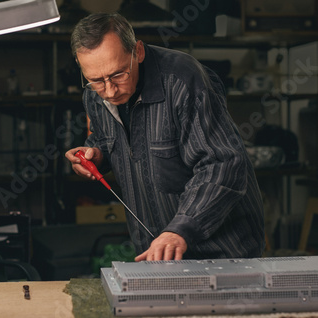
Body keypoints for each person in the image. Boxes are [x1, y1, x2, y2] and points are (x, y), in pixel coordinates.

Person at [65, 13, 265, 261]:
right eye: (96, 80)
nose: (108, 90)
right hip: (157, 253)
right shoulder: (94, 95)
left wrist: (180, 229)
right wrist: (95, 156)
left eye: (118, 75)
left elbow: (222, 163)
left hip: (223, 252)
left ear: (138, 51)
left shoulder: (182, 79)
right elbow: (112, 141)